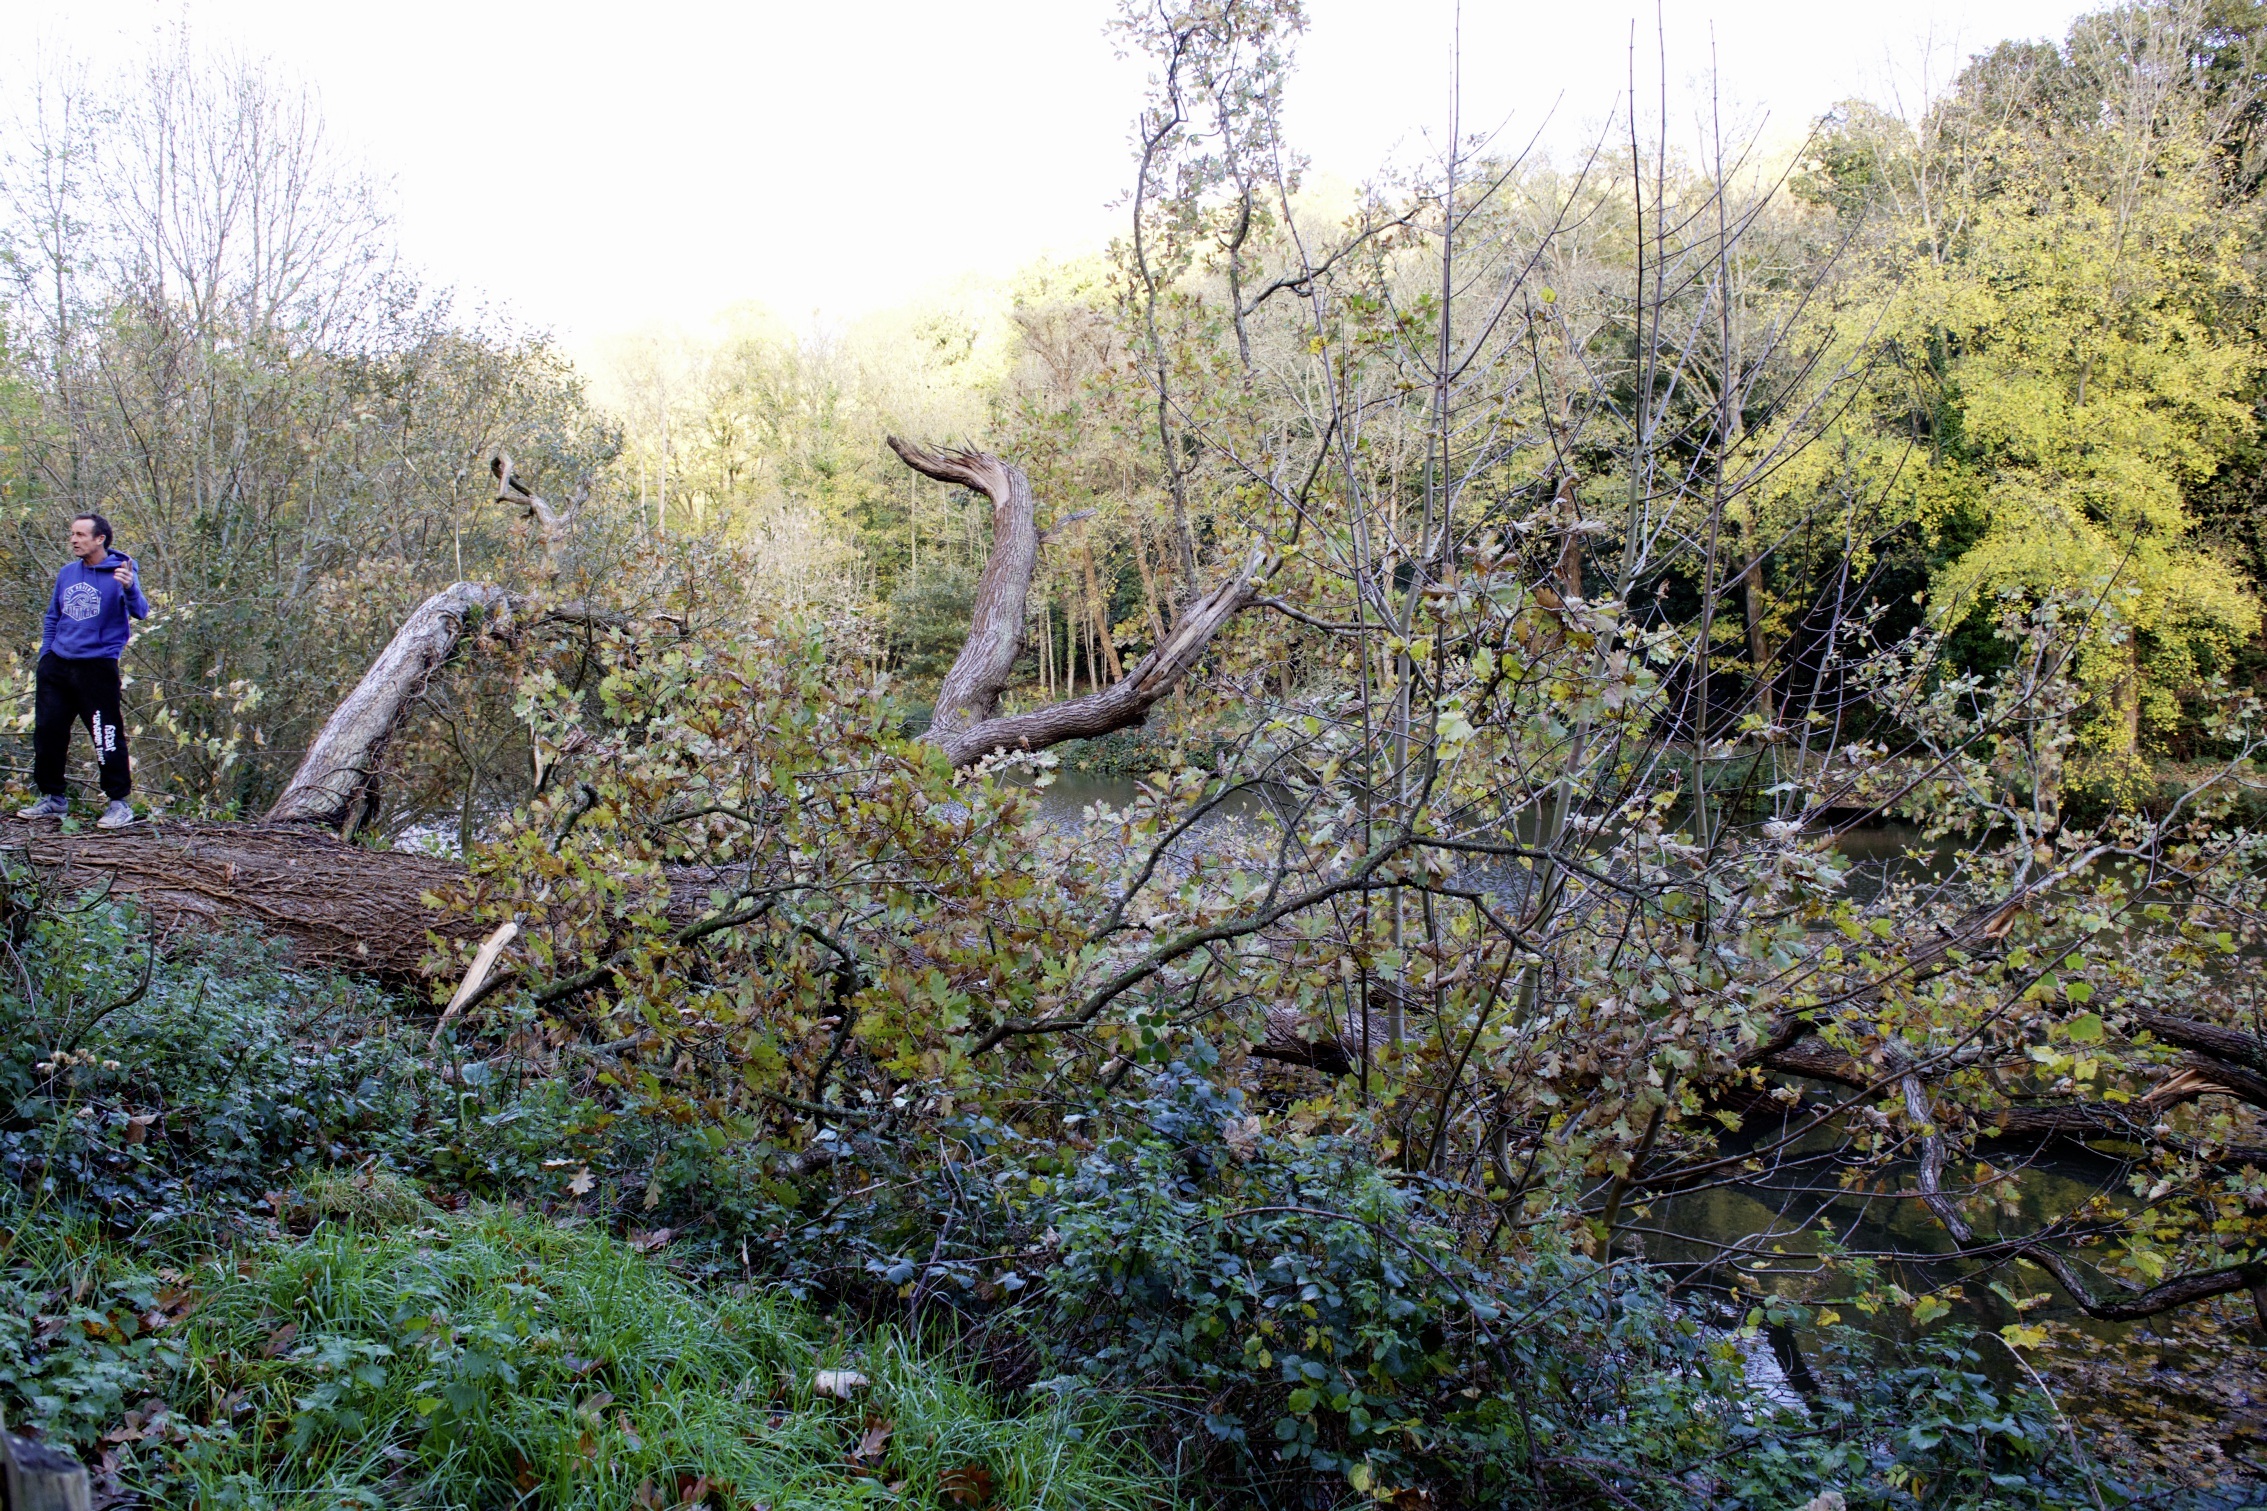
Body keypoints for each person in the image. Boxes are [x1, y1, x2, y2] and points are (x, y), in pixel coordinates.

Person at [18, 514, 151, 827]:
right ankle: (53, 798)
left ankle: (119, 804)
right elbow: (53, 616)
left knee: (106, 735)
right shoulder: (67, 573)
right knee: (48, 732)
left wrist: (130, 589)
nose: (74, 540)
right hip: (58, 665)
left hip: (97, 666)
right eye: (72, 534)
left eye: (80, 534)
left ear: (100, 538)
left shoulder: (123, 571)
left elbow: (141, 611)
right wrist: (45, 656)